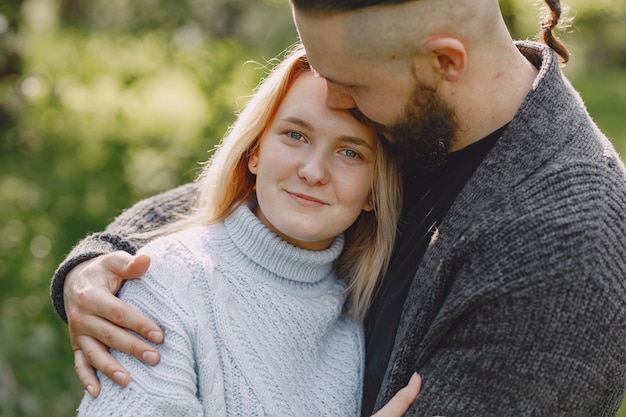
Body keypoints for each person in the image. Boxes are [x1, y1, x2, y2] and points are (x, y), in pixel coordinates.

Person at [52, 0, 626, 416]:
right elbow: (247, 200)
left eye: (348, 83)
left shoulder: (564, 248)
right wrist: (99, 261)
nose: (334, 102)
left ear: (444, 63)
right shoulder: (422, 114)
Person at [73, 45, 423, 416]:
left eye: (350, 153)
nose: (313, 171)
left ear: (374, 191)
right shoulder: (168, 279)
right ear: (254, 152)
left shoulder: (357, 315)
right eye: (295, 135)